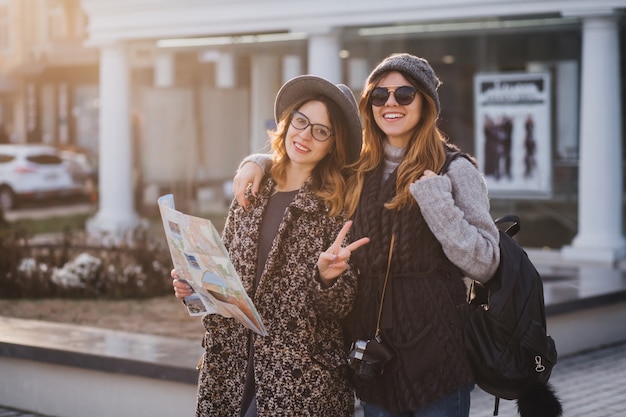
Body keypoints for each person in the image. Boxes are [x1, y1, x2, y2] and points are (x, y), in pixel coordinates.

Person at [233, 53, 501, 417]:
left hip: (437, 359)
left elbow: (486, 263)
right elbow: (306, 157)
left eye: (404, 95)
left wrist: (438, 204)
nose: (390, 103)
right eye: (379, 95)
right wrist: (257, 162)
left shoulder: (455, 170)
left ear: (425, 104)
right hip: (374, 361)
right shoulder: (359, 170)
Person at [172, 74, 370, 417]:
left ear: (333, 145)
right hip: (231, 366)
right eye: (301, 121)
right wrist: (194, 285)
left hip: (298, 380)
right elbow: (226, 274)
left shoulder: (338, 206)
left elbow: (341, 308)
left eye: (321, 131)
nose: (305, 135)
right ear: (288, 121)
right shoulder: (252, 192)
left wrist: (328, 279)